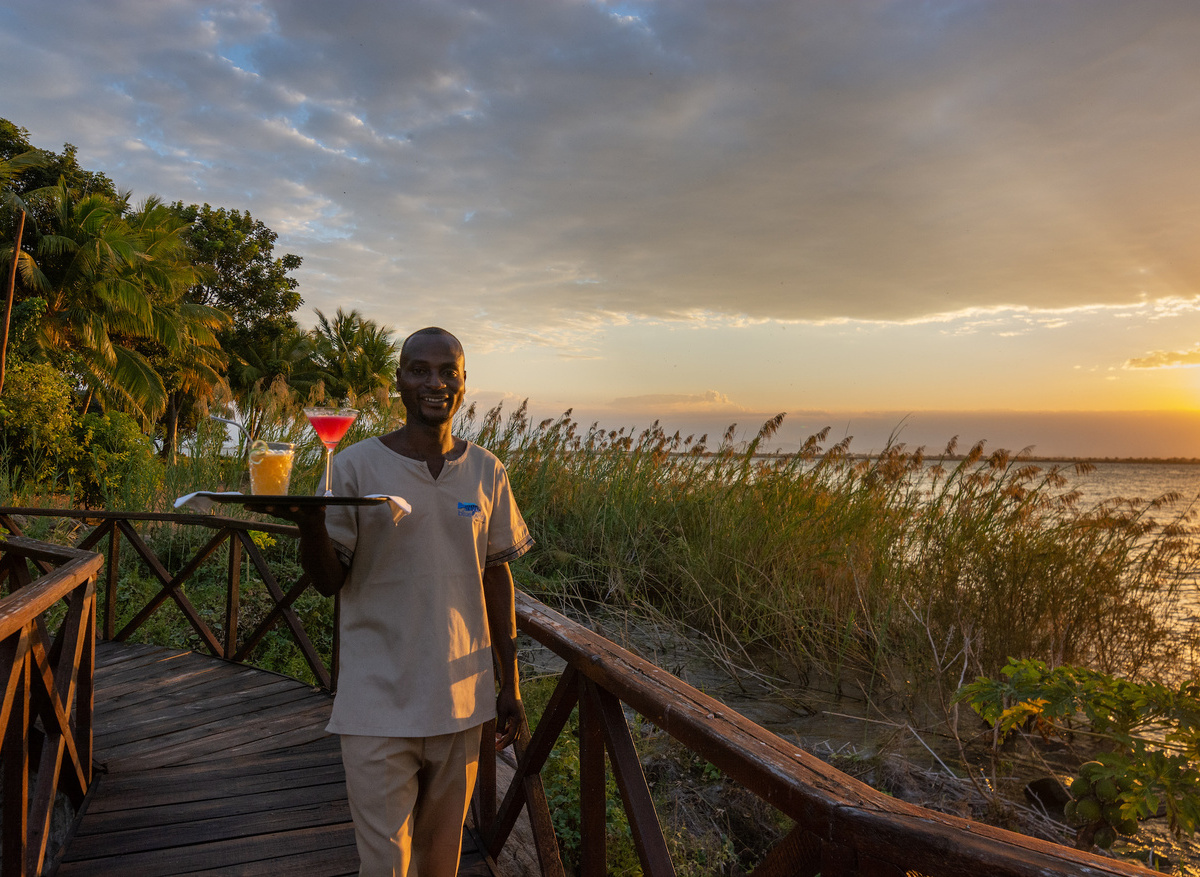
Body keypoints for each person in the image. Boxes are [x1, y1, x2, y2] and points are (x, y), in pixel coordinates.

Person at [260, 327, 532, 877]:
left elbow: (495, 575)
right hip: (376, 700)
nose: (435, 382)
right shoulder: (355, 465)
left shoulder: (487, 471)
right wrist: (311, 525)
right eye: (419, 370)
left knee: (441, 859)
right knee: (384, 863)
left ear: (464, 382)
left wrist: (511, 682)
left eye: (448, 371)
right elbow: (328, 580)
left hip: (461, 701)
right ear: (399, 382)